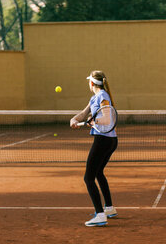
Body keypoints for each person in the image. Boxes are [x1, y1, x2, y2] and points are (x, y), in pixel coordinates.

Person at [70, 70, 118, 227]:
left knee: (88, 178)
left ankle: (100, 214)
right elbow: (85, 113)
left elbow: (106, 118)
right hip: (109, 140)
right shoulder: (95, 98)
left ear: (91, 83)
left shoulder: (103, 96)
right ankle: (109, 208)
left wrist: (93, 122)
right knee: (98, 173)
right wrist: (75, 119)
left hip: (104, 140)